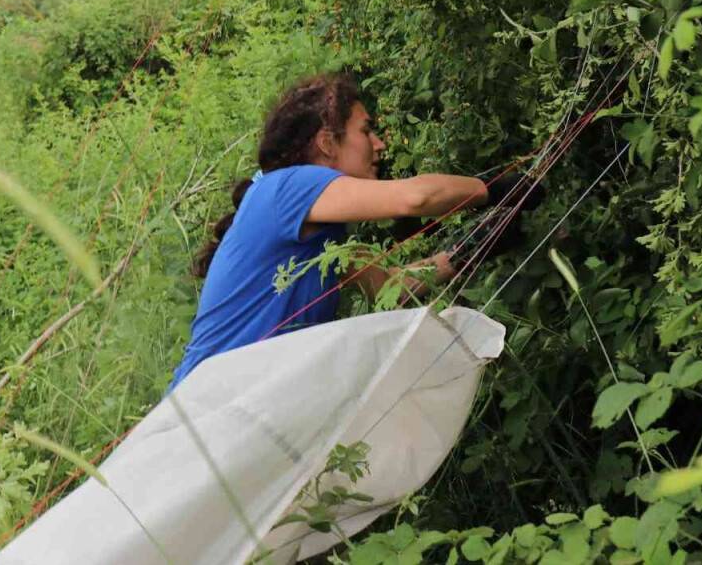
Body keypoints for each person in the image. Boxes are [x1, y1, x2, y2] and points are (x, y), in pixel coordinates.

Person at [169, 73, 492, 390]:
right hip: (210, 406)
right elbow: (415, 198)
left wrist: (464, 252)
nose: (380, 145)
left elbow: (383, 286)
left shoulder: (322, 228)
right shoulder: (289, 187)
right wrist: (491, 188)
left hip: (248, 405)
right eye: (366, 131)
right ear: (327, 143)